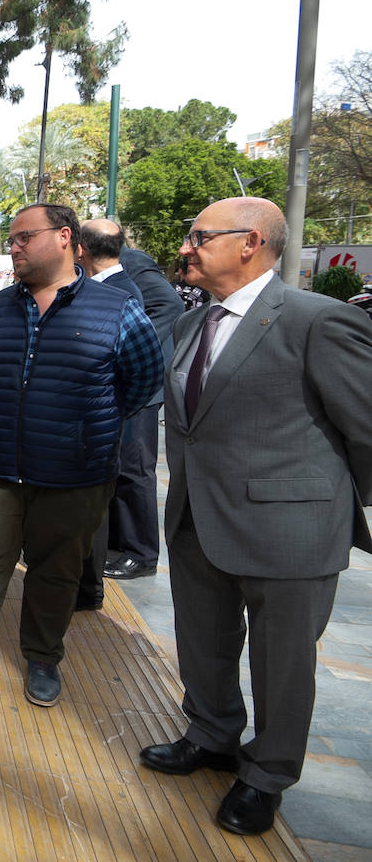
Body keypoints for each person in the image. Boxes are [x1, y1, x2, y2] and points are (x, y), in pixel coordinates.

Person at [138, 197, 372, 836]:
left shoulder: (316, 321)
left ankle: (266, 775)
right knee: (203, 644)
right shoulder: (192, 325)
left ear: (251, 242)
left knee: (282, 665)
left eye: (198, 237)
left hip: (290, 535)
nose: (185, 248)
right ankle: (211, 735)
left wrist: (337, 508)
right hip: (197, 521)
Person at [0, 203, 164, 709]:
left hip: (75, 473)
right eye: (11, 239)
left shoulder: (116, 308)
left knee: (56, 570)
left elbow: (142, 383)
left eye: (23, 238)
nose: (13, 248)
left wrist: (82, 428)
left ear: (64, 238)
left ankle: (43, 656)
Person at [71, 220, 147, 611]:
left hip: (99, 426)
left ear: (80, 249)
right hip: (79, 425)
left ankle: (88, 587)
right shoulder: (100, 287)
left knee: (93, 508)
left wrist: (108, 410)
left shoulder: (120, 294)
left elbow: (143, 372)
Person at [103, 233, 185, 582]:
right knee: (116, 467)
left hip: (140, 387)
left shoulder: (131, 261)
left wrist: (132, 340)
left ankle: (141, 553)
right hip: (115, 389)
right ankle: (117, 542)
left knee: (135, 470)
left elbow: (170, 305)